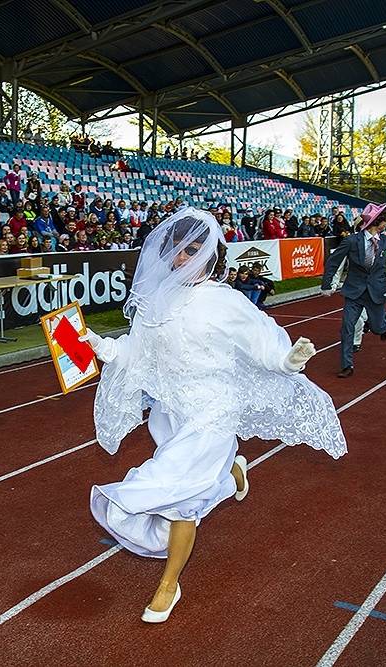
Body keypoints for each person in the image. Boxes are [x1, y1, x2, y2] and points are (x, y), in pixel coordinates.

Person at [79, 208, 346, 623]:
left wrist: (288, 360)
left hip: (213, 411)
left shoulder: (227, 301)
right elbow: (137, 354)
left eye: (192, 249)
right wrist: (103, 347)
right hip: (170, 413)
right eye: (177, 250)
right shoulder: (156, 302)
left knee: (179, 499)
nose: (182, 258)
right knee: (185, 485)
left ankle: (169, 584)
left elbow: (264, 345)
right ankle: (231, 476)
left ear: (211, 253)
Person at [320, 202, 386, 378]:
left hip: (377, 293)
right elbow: (333, 261)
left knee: (379, 328)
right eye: (384, 220)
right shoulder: (351, 241)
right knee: (347, 327)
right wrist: (326, 284)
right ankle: (346, 365)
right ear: (377, 222)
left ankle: (384, 322)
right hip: (354, 293)